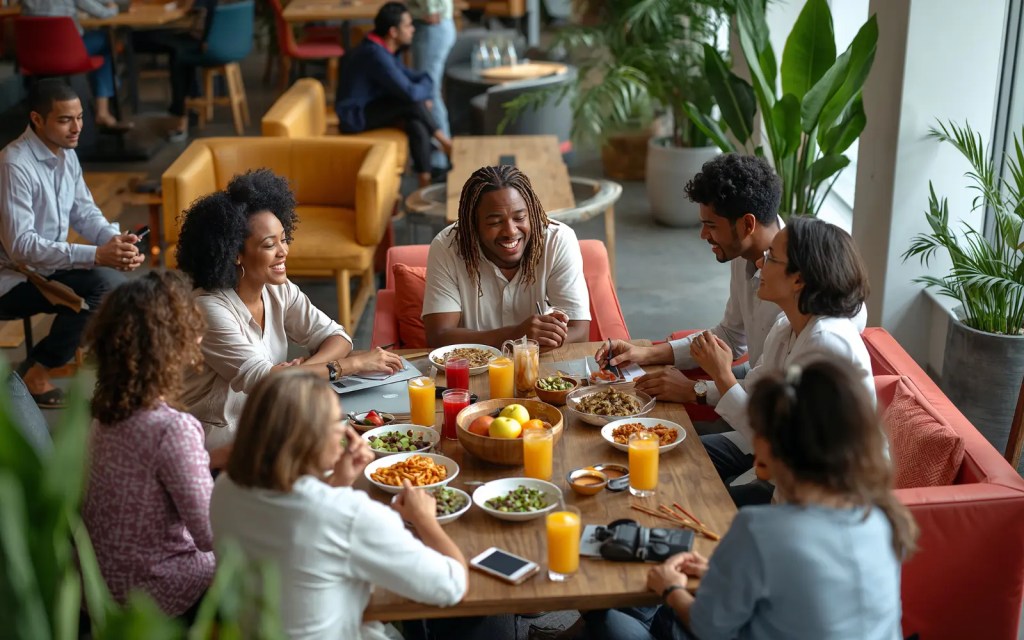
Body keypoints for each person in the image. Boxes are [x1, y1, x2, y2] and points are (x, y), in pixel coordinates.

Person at [585, 362, 918, 640]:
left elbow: (708, 627)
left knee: (609, 619)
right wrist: (722, 574)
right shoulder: (882, 517)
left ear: (772, 446)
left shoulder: (760, 528)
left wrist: (671, 589)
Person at [210, 370, 468, 639]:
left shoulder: (225, 488)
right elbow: (452, 586)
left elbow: (302, 533)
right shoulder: (349, 514)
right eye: (337, 421)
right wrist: (424, 518)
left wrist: (339, 481)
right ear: (310, 437)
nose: (346, 431)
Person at [176, 169, 402, 463]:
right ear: (235, 254)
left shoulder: (276, 288)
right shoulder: (209, 309)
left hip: (268, 426)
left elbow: (337, 337)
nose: (283, 251)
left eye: (284, 239)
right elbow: (266, 382)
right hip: (218, 449)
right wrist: (352, 364)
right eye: (269, 245)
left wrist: (302, 371)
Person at [691, 216, 874, 506]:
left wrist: (723, 375)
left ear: (798, 280)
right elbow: (756, 393)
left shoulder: (826, 344)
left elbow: (782, 446)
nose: (759, 263)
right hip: (772, 460)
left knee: (696, 501)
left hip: (815, 497)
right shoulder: (786, 327)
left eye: (771, 258)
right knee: (680, 456)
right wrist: (712, 379)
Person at [597, 154, 784, 410]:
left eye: (711, 225)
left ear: (747, 225)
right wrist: (645, 353)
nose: (703, 234)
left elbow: (775, 398)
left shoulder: (798, 284)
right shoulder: (743, 253)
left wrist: (693, 390)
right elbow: (730, 336)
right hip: (754, 382)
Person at [0, 80, 143, 409]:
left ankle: (88, 359)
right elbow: (21, 246)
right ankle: (35, 373)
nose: (77, 128)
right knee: (105, 288)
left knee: (117, 286)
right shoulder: (14, 164)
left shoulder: (65, 152)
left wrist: (115, 242)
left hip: (46, 267)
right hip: (13, 276)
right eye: (65, 120)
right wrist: (97, 256)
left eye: (80, 117)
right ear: (37, 119)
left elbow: (84, 212)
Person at [82, 271, 214, 619]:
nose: (199, 334)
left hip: (100, 588)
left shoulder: (105, 414)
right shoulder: (172, 429)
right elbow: (211, 535)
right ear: (172, 344)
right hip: (157, 594)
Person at [423, 165, 591, 350]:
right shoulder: (447, 247)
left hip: (540, 363)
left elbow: (579, 331)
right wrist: (517, 336)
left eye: (519, 218)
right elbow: (439, 336)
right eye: (495, 222)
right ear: (473, 224)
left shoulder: (557, 240)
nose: (510, 232)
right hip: (473, 365)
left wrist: (533, 344)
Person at [334, 1, 453, 188]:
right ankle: (444, 143)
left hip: (373, 106)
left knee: (415, 121)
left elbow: (422, 78)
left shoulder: (383, 47)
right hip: (354, 117)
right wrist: (423, 95)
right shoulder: (375, 55)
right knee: (411, 104)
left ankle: (425, 183)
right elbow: (410, 93)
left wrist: (425, 95)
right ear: (393, 32)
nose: (413, 29)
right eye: (408, 25)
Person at [21, 0, 133, 132]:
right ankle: (102, 112)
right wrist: (113, 7)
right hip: (67, 53)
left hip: (35, 56)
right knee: (107, 41)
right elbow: (103, 13)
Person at [408, 0, 456, 175]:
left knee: (428, 93)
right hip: (434, 25)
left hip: (431, 26)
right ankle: (436, 158)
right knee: (428, 93)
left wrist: (431, 9)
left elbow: (431, 15)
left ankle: (438, 161)